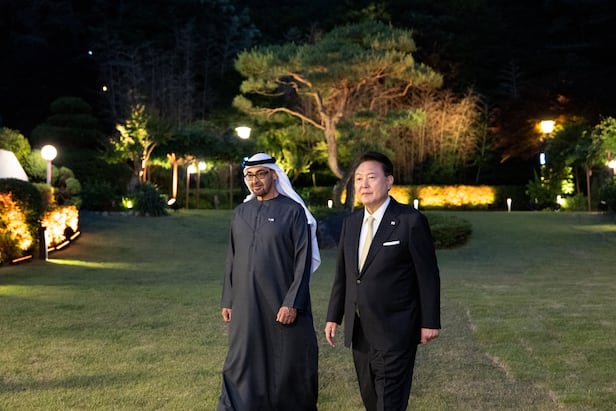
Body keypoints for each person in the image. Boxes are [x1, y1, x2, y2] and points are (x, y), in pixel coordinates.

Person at [324, 151, 441, 411]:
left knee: (389, 402)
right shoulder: (351, 223)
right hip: (359, 330)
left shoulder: (410, 221)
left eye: (371, 177)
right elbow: (344, 274)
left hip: (396, 328)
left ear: (388, 181)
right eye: (358, 179)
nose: (363, 185)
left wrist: (430, 322)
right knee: (371, 400)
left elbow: (428, 276)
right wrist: (334, 316)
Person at [217, 153, 321, 411]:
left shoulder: (293, 211)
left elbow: (303, 260)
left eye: (261, 174)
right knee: (241, 360)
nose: (255, 181)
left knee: (284, 361)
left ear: (274, 175)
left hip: (280, 301)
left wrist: (292, 303)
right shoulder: (240, 212)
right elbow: (231, 257)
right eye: (249, 176)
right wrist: (228, 299)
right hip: (245, 303)